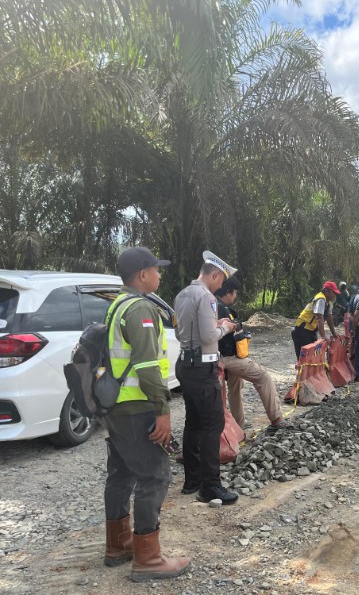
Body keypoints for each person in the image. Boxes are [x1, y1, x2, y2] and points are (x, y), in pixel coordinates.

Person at [103, 246, 190, 582]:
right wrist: (163, 410)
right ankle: (148, 559)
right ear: (142, 275)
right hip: (137, 406)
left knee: (122, 473)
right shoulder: (140, 307)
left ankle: (119, 545)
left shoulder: (117, 305)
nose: (160, 274)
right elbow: (148, 366)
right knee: (155, 475)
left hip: (118, 407)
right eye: (156, 269)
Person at [174, 250, 239, 506]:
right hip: (203, 368)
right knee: (212, 425)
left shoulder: (183, 294)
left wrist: (215, 325)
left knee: (193, 421)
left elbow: (182, 334)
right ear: (214, 275)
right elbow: (209, 336)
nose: (221, 285)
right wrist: (226, 327)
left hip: (186, 365)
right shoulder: (207, 298)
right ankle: (210, 486)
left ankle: (192, 480)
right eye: (220, 280)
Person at [215, 278, 288, 434]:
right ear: (227, 292)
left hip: (222, 356)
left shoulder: (213, 305)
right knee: (263, 376)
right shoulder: (220, 309)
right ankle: (276, 419)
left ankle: (238, 428)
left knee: (235, 390)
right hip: (228, 358)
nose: (235, 297)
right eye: (234, 294)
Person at [291, 281, 340, 359]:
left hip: (310, 330)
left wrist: (334, 332)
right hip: (302, 329)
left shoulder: (329, 303)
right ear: (326, 291)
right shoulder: (321, 299)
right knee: (305, 358)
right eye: (333, 292)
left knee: (313, 355)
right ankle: (302, 370)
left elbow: (329, 318)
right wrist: (323, 337)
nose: (334, 295)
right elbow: (319, 318)